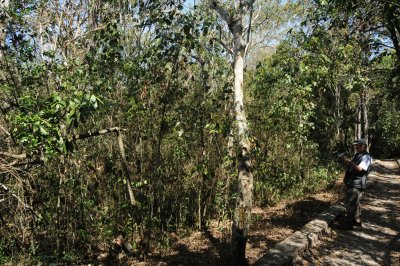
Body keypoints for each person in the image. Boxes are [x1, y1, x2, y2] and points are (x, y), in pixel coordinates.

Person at [339, 139, 372, 229]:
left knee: (351, 203)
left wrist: (349, 161)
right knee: (354, 203)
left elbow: (360, 169)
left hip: (357, 184)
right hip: (352, 182)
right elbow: (351, 167)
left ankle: (348, 224)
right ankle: (356, 221)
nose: (356, 147)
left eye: (357, 145)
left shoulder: (366, 157)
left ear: (363, 146)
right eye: (355, 145)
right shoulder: (357, 155)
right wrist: (346, 162)